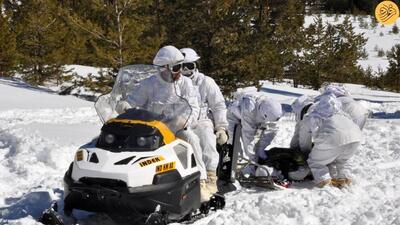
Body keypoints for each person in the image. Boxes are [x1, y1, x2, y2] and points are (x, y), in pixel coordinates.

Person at [122, 45, 212, 201]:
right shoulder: (149, 84)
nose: (180, 71)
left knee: (190, 138)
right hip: (150, 129)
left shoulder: (185, 84)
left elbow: (194, 106)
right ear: (164, 68)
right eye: (177, 67)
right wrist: (125, 107)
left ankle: (201, 181)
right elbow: (133, 103)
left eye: (181, 66)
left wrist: (184, 120)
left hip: (176, 129)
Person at [179, 48, 229, 196]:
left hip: (201, 120)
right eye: (183, 66)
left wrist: (221, 127)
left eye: (190, 65)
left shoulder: (205, 82)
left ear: (195, 65)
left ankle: (210, 177)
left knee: (207, 138)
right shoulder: (174, 82)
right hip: (180, 121)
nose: (186, 69)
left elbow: (218, 105)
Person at [290, 93, 362, 188]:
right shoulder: (333, 110)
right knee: (343, 159)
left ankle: (324, 181)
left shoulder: (309, 116)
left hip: (334, 138)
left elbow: (304, 142)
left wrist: (305, 156)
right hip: (355, 137)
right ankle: (345, 178)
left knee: (315, 162)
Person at [227, 91, 283, 176]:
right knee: (235, 145)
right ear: (263, 113)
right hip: (234, 116)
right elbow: (248, 137)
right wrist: (253, 161)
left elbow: (272, 130)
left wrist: (261, 148)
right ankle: (235, 168)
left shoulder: (273, 109)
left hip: (255, 120)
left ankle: (250, 164)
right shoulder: (249, 107)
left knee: (256, 148)